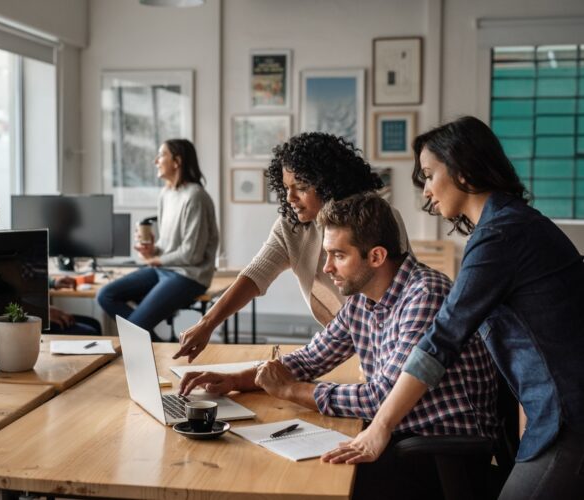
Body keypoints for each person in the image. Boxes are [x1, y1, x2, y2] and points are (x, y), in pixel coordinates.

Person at [324, 116, 584, 500]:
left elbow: (441, 340)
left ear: (462, 169)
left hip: (570, 415)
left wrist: (379, 428)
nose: (426, 192)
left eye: (429, 175)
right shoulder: (506, 226)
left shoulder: (501, 235)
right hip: (556, 411)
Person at [180, 193, 498, 500]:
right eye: (327, 254)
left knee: (297, 481)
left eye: (338, 255)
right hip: (397, 436)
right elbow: (311, 359)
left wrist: (290, 391)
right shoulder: (363, 297)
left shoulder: (425, 295)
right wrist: (238, 379)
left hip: (438, 452)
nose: (327, 267)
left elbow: (380, 397)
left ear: (376, 256)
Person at [174, 132, 410, 362]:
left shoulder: (375, 218)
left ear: (329, 184)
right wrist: (207, 324)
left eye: (301, 187)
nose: (290, 198)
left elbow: (396, 296)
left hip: (388, 341)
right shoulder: (292, 226)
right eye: (286, 187)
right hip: (340, 342)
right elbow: (255, 274)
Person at [97, 139, 218, 341]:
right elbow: (167, 246)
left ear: (177, 161)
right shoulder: (166, 194)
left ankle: (149, 345)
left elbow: (192, 254)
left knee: (134, 327)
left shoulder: (195, 197)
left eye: (161, 155)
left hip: (189, 276)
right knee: (105, 295)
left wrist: (156, 260)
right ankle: (157, 345)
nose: (155, 160)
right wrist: (152, 250)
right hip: (164, 270)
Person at [0, 188, 100, 334]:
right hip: (6, 324)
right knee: (89, 331)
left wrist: (53, 283)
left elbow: (16, 280)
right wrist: (41, 313)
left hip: (20, 313)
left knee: (93, 323)